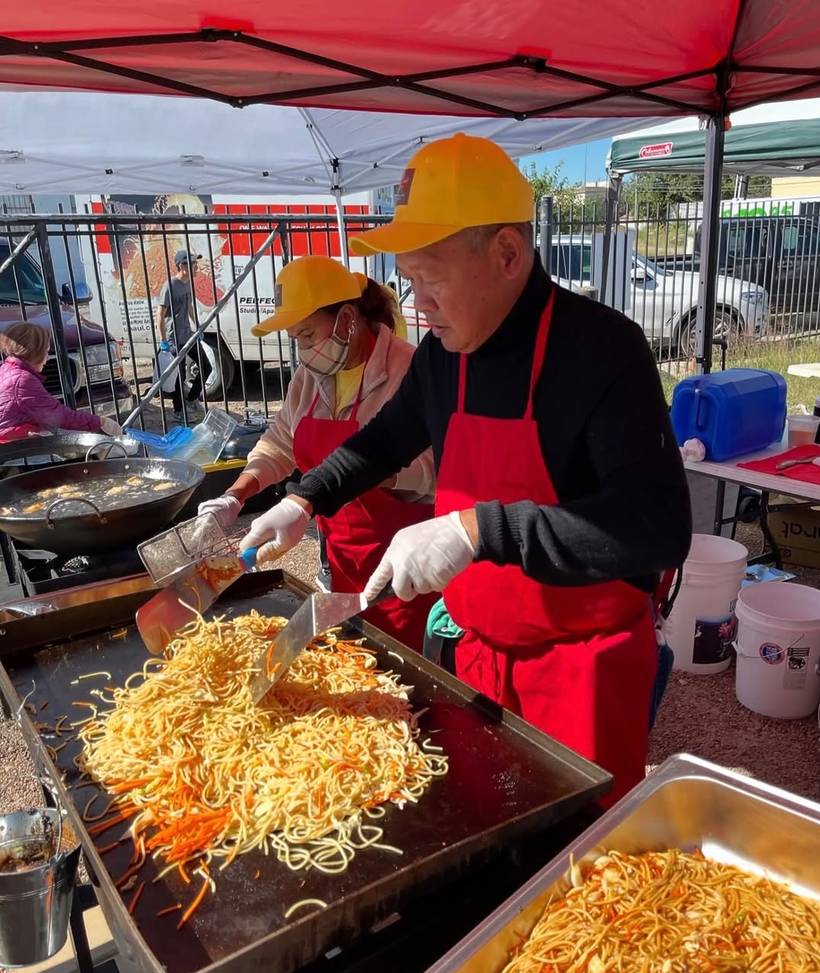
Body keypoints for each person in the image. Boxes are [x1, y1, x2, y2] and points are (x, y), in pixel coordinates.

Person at [238, 134, 692, 805]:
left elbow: (657, 528)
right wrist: (301, 500)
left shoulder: (600, 350)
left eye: (433, 279)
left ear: (507, 254)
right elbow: (381, 442)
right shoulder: (441, 357)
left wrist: (479, 530)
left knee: (574, 871)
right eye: (410, 282)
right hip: (477, 658)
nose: (418, 304)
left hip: (580, 673)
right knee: (479, 830)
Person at [199, 255, 436, 651]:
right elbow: (278, 442)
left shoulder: (408, 369)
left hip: (403, 562)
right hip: (340, 559)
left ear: (347, 319)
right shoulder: (311, 376)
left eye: (307, 334)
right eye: (295, 338)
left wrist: (362, 468)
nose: (302, 349)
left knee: (405, 676)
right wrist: (234, 496)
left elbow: (432, 470)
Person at [0, 323, 122, 442]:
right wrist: (100, 422)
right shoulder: (22, 380)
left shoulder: (7, 369)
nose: (47, 358)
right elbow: (59, 416)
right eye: (46, 351)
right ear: (36, 352)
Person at [156, 249, 206, 423]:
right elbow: (160, 315)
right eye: (193, 265)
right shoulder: (169, 286)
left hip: (187, 334)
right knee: (180, 376)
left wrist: (197, 326)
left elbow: (189, 306)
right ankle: (178, 410)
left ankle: (191, 400)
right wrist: (163, 341)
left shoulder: (187, 284)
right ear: (182, 266)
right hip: (174, 338)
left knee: (206, 366)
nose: (196, 268)